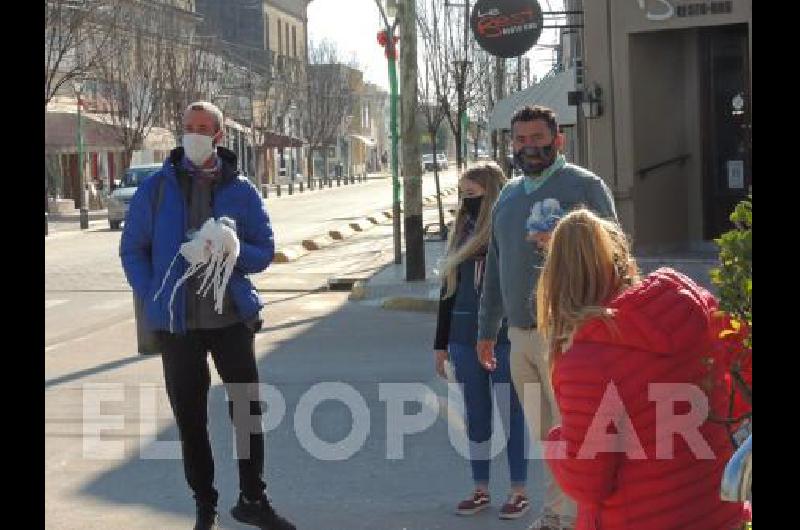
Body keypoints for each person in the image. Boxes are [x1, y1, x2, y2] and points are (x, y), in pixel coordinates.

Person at [120, 101, 295, 530]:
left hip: (231, 320)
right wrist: (152, 294)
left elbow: (264, 250)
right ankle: (205, 505)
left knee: (247, 412)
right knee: (191, 418)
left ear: (219, 136)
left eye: (204, 128)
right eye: (189, 127)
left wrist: (234, 252)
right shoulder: (156, 189)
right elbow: (132, 250)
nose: (195, 135)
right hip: (178, 325)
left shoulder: (242, 189)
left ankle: (254, 499)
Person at [536, 208, 749, 530]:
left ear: (555, 284)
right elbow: (744, 374)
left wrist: (555, 443)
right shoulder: (687, 299)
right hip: (716, 509)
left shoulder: (587, 361)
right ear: (623, 258)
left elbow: (587, 484)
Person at [476, 105, 617, 530]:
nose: (528, 147)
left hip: (569, 332)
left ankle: (575, 517)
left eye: (537, 138)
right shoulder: (508, 195)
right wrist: (487, 330)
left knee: (574, 431)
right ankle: (558, 513)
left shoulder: (584, 187)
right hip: (519, 335)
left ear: (558, 140)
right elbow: (497, 267)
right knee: (547, 435)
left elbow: (617, 257)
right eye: (520, 139)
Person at [433, 162, 530, 520]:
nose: (465, 202)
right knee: (476, 415)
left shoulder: (509, 231)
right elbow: (448, 291)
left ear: (491, 194)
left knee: (511, 414)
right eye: (462, 194)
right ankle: (480, 489)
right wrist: (439, 345)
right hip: (461, 336)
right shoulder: (459, 231)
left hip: (503, 337)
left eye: (471, 194)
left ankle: (519, 490)